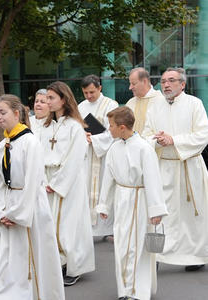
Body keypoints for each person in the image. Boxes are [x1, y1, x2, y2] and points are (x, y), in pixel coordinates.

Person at [0, 95, 65, 300]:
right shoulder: (1, 147)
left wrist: (17, 215)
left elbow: (33, 182)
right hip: (7, 208)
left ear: (17, 114)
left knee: (31, 258)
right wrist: (0, 212)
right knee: (5, 259)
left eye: (3, 112)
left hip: (30, 208)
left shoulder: (30, 142)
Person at [96, 106, 168, 300]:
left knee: (137, 248)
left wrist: (156, 210)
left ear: (121, 127)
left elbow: (153, 180)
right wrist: (104, 204)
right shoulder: (114, 147)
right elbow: (108, 178)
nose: (108, 129)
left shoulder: (144, 148)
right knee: (121, 246)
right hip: (122, 199)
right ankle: (125, 290)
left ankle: (137, 292)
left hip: (140, 201)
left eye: (110, 126)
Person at [142, 67, 208, 271]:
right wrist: (158, 141)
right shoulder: (154, 106)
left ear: (182, 84)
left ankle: (195, 256)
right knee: (161, 213)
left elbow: (202, 135)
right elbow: (145, 134)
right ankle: (157, 256)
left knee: (192, 216)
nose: (166, 85)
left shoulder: (194, 104)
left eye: (171, 80)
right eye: (163, 81)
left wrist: (174, 140)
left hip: (189, 168)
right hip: (163, 167)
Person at [40, 81, 95, 286]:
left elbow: (75, 158)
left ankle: (75, 266)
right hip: (47, 181)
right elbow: (38, 155)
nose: (48, 101)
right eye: (46, 98)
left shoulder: (75, 126)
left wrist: (57, 183)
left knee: (69, 225)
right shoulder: (45, 126)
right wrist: (44, 180)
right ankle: (58, 264)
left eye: (51, 98)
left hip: (68, 183)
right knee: (51, 225)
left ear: (64, 99)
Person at [78, 74, 118, 237]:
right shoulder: (81, 106)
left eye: (92, 92)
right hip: (87, 155)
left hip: (104, 155)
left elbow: (112, 131)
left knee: (104, 188)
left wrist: (92, 138)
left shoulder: (111, 104)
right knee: (86, 188)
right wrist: (82, 136)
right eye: (86, 93)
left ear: (99, 88)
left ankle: (107, 229)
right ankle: (87, 228)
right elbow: (76, 128)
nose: (89, 96)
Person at [126, 67, 164, 134]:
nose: (130, 87)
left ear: (144, 81)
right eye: (130, 83)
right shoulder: (130, 103)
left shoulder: (161, 101)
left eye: (133, 84)